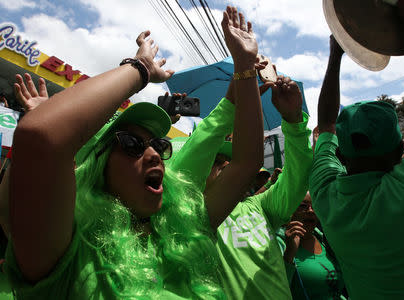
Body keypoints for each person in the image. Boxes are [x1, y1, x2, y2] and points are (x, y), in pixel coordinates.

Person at [4, 6, 264, 299]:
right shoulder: (68, 250)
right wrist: (140, 68)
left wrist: (244, 64)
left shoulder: (185, 230)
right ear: (99, 166)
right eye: (132, 145)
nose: (153, 154)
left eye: (159, 145)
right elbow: (41, 137)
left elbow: (246, 163)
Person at [310, 1, 404, 299]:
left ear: (342, 156)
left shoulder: (327, 197)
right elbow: (327, 127)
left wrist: (336, 55)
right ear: (401, 148)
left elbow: (324, 126)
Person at [170, 53, 313, 299]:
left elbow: (297, 179)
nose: (225, 163)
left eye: (225, 159)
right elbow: (187, 163)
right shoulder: (181, 222)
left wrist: (293, 121)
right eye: (214, 160)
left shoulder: (259, 207)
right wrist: (231, 105)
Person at [279, 192, 345, 300]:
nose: (310, 210)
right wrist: (289, 253)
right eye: (303, 206)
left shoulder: (325, 240)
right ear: (289, 209)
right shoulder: (279, 243)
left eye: (314, 205)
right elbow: (275, 287)